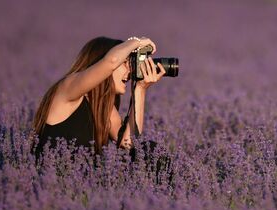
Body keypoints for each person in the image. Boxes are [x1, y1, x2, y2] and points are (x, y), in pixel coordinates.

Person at [32, 36, 172, 184]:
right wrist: (136, 42)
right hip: (54, 183)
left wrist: (140, 90)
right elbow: (111, 61)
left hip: (85, 186)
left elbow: (128, 144)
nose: (130, 70)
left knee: (149, 152)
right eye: (125, 63)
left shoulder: (102, 105)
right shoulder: (68, 88)